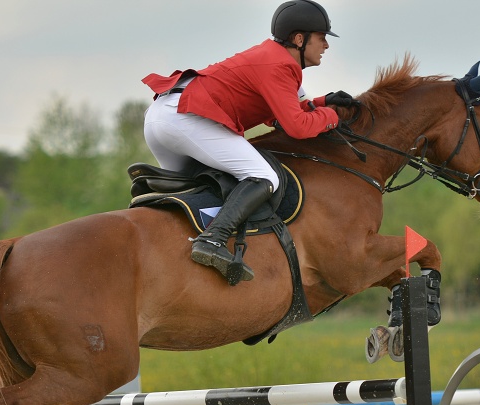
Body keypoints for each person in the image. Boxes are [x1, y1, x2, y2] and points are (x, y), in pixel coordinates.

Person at [142, 0, 357, 283]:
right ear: (299, 39)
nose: (326, 45)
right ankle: (213, 241)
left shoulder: (275, 59)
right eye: (322, 37)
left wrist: (321, 102)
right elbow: (296, 126)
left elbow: (285, 112)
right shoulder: (279, 65)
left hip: (163, 116)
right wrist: (332, 116)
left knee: (200, 194)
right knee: (264, 176)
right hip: (184, 119)